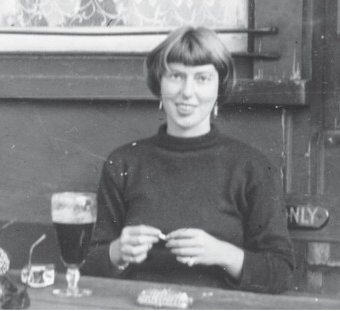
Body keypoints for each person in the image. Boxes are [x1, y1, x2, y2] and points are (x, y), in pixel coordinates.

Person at [81, 26, 295, 294]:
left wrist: (223, 254)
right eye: (176, 76)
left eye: (202, 78)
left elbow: (281, 273)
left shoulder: (252, 167)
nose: (187, 92)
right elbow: (86, 266)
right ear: (159, 83)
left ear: (220, 87)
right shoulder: (123, 163)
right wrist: (117, 251)